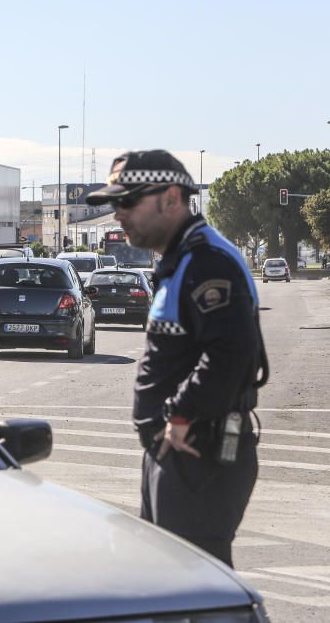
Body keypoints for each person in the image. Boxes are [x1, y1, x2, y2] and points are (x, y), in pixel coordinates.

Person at [87, 150, 268, 568]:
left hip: (197, 453)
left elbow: (232, 350)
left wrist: (181, 415)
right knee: (169, 588)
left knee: (196, 589)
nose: (117, 214)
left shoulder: (206, 261)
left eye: (127, 201)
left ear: (170, 197)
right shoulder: (183, 259)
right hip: (177, 452)